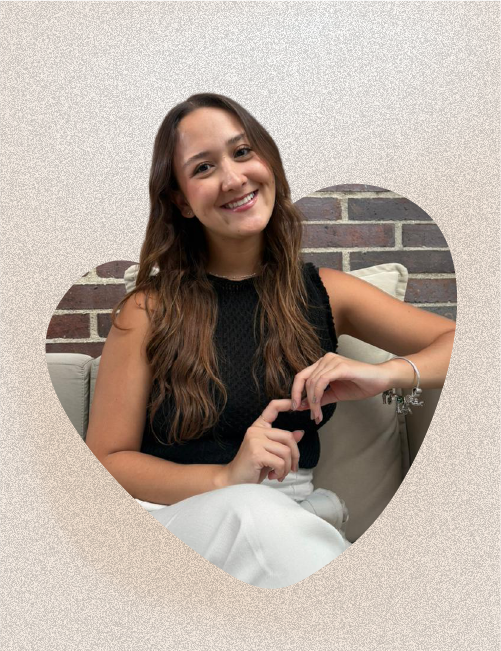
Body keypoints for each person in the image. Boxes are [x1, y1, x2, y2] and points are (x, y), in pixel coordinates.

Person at [85, 93, 455, 589]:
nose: (233, 178)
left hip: (289, 522)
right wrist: (224, 478)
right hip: (177, 520)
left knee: (268, 522)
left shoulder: (326, 292)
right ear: (181, 201)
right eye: (203, 168)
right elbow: (106, 462)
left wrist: (386, 374)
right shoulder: (147, 310)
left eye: (242, 152)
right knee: (250, 513)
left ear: (269, 162)